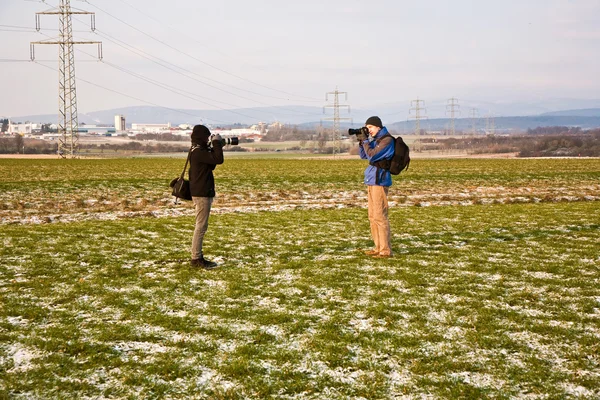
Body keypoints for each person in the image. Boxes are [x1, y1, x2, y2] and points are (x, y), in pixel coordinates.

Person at [358, 116, 395, 258]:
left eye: (370, 127)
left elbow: (372, 156)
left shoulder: (387, 140)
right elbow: (364, 155)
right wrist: (362, 142)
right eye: (367, 127)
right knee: (373, 216)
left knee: (380, 216)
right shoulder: (376, 141)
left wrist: (366, 141)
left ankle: (385, 250)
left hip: (380, 181)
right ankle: (378, 247)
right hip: (371, 180)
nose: (368, 130)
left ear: (378, 127)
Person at [188, 124, 224, 269]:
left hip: (201, 191)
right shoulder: (198, 152)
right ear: (202, 137)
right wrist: (216, 144)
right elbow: (218, 159)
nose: (208, 138)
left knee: (201, 225)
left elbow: (212, 163)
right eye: (207, 136)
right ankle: (196, 258)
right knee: (201, 226)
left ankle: (196, 257)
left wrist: (214, 147)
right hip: (202, 193)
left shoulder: (196, 150)